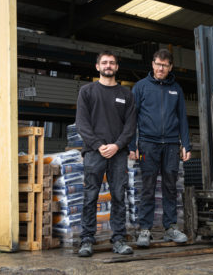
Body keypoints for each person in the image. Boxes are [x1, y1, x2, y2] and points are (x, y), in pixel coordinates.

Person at [129, 49, 191, 247]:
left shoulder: (177, 89)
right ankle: (145, 230)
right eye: (157, 64)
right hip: (148, 144)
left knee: (170, 188)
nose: (160, 68)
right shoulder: (140, 87)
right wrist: (132, 145)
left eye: (164, 65)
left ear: (170, 67)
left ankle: (171, 227)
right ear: (152, 64)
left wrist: (186, 144)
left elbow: (182, 119)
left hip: (172, 145)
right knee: (147, 188)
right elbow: (131, 118)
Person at [76, 51, 136, 257]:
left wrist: (117, 146)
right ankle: (86, 240)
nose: (108, 66)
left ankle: (119, 239)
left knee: (119, 195)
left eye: (112, 63)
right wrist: (98, 145)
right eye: (104, 62)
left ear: (117, 67)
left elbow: (130, 126)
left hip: (118, 154)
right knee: (90, 196)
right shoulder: (87, 91)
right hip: (94, 152)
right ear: (97, 66)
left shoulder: (126, 94)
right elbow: (82, 123)